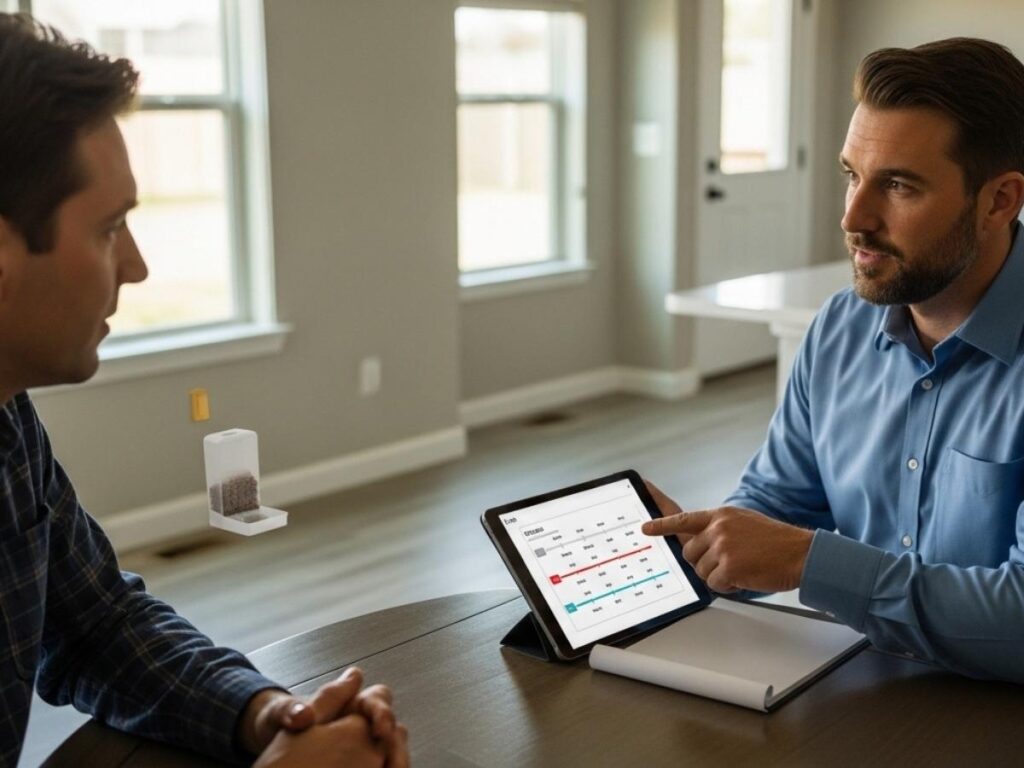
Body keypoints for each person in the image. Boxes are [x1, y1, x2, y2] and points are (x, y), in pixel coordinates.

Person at [0, 13, 408, 767]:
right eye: (109, 228)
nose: (137, 267)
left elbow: (98, 626)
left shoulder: (8, 419)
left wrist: (263, 714)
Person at [643, 37, 1024, 683]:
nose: (853, 217)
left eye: (899, 186)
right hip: (858, 692)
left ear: (998, 200)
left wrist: (808, 563)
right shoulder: (840, 329)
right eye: (851, 176)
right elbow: (779, 503)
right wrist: (701, 546)